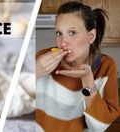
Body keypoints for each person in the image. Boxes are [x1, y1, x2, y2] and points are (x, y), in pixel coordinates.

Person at [36, 1, 120, 132]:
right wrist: (35, 72)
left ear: (90, 36)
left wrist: (88, 82)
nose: (63, 42)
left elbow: (100, 127)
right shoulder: (40, 59)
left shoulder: (106, 66)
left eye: (72, 33)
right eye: (59, 33)